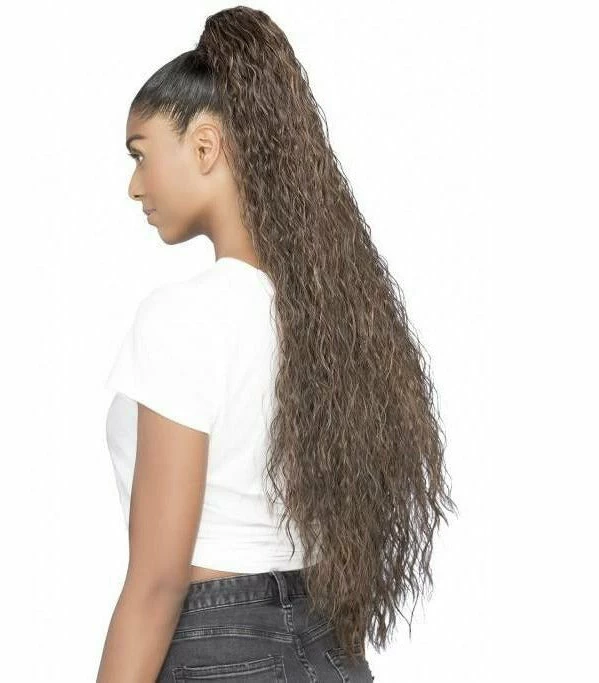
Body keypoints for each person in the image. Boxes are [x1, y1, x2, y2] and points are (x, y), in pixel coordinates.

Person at [96, 7, 457, 682]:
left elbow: (157, 583)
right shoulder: (335, 318)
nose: (134, 186)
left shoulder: (181, 316)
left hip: (217, 648)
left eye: (140, 154)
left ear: (205, 147)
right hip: (330, 647)